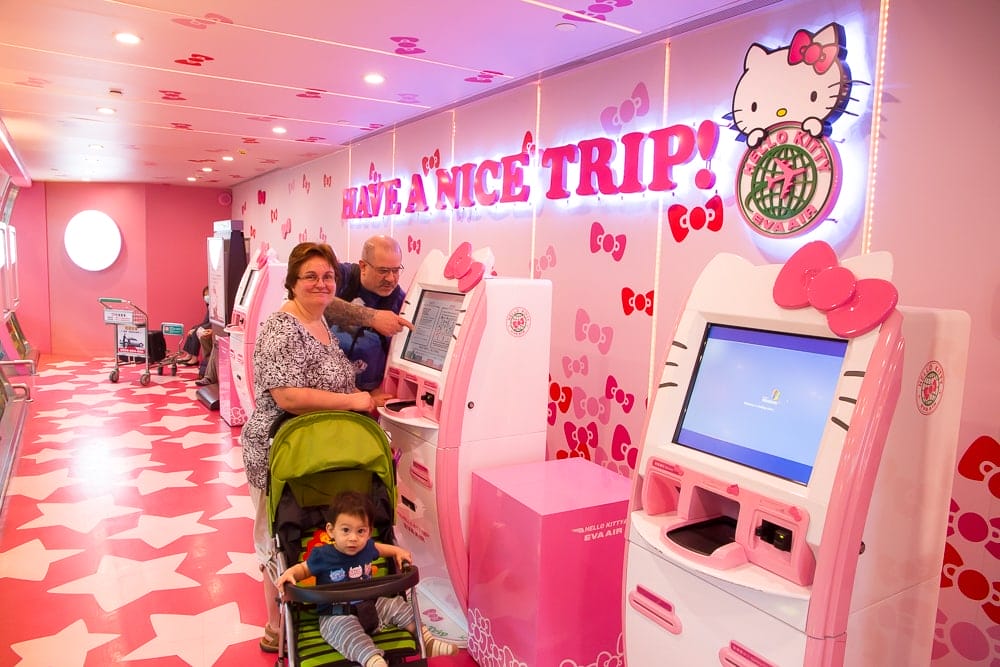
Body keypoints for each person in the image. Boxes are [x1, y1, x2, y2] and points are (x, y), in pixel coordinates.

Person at [240, 242, 393, 653]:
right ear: (292, 282)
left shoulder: (320, 318)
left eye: (327, 276)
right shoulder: (281, 327)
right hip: (279, 451)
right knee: (273, 534)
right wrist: (355, 401)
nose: (321, 284)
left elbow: (336, 311)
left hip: (318, 453)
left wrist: (376, 322)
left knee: (307, 530)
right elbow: (288, 396)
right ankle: (276, 627)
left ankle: (314, 610)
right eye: (310, 276)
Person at [275, 491, 457, 666]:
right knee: (346, 631)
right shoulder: (322, 555)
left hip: (371, 605)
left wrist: (398, 552)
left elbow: (384, 548)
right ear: (331, 530)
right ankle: (373, 660)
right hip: (337, 614)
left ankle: (426, 640)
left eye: (360, 531)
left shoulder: (367, 548)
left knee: (398, 606)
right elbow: (303, 569)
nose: (353, 538)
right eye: (345, 530)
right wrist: (290, 573)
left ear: (369, 532)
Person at [325, 235, 406, 391]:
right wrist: (372, 317)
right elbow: (316, 301)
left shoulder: (401, 301)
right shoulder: (341, 277)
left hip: (368, 396)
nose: (390, 278)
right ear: (363, 266)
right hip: (326, 391)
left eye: (396, 270)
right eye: (383, 271)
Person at [176, 286, 212, 368]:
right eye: (205, 295)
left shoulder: (216, 305)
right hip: (208, 324)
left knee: (196, 331)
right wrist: (194, 328)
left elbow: (211, 323)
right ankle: (189, 354)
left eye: (208, 294)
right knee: (193, 328)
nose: (207, 297)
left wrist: (196, 329)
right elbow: (205, 322)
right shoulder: (209, 306)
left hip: (213, 327)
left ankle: (195, 358)